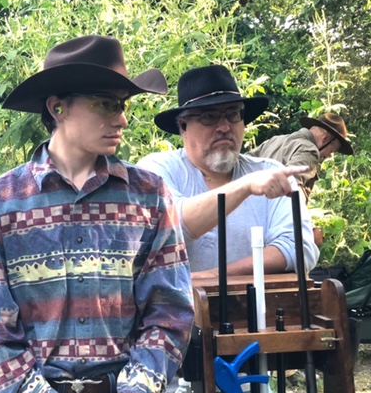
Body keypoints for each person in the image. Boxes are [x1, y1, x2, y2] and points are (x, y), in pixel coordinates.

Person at [0, 35, 194, 393]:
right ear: (57, 107)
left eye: (123, 105)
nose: (122, 119)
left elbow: (170, 313)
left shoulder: (150, 196)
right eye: (106, 104)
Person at [137, 64, 320, 279]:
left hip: (257, 301)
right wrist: (244, 186)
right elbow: (169, 227)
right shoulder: (156, 170)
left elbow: (300, 248)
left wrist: (215, 276)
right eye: (208, 117)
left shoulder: (270, 172)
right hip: (174, 303)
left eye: (233, 114)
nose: (224, 127)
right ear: (183, 126)